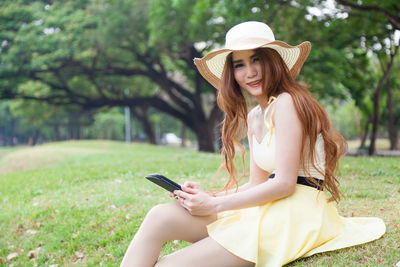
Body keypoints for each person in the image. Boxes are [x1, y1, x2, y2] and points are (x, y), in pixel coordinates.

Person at [121, 21, 385, 267]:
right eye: (239, 65)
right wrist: (206, 196)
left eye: (257, 60)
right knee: (159, 216)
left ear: (273, 62)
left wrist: (214, 206)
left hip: (294, 214)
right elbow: (256, 184)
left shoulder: (288, 103)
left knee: (168, 265)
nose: (250, 72)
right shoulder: (256, 114)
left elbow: (283, 184)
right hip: (266, 208)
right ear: (232, 73)